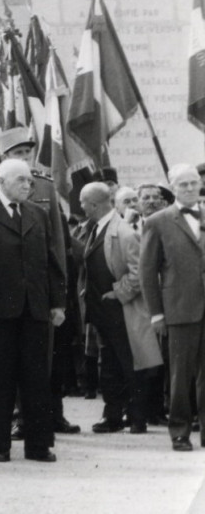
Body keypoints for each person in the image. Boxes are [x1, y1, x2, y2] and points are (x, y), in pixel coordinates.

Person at [0, 159, 66, 463]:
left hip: (35, 308)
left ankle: (38, 445)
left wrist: (57, 303)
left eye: (30, 181)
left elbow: (52, 262)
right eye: (21, 180)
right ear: (2, 181)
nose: (28, 186)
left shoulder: (38, 213)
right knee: (3, 378)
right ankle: (1, 445)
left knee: (37, 379)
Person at [78, 181, 159, 434]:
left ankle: (137, 418)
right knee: (110, 366)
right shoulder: (97, 228)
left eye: (83, 203)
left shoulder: (123, 232)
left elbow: (139, 273)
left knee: (130, 364)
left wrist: (118, 292)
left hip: (121, 311)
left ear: (93, 205)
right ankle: (112, 415)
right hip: (104, 313)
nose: (81, 208)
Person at [139, 164, 205, 451]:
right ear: (172, 187)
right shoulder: (158, 221)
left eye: (194, 183)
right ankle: (179, 431)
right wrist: (156, 313)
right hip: (179, 309)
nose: (190, 188)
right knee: (180, 374)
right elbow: (146, 272)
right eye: (183, 184)